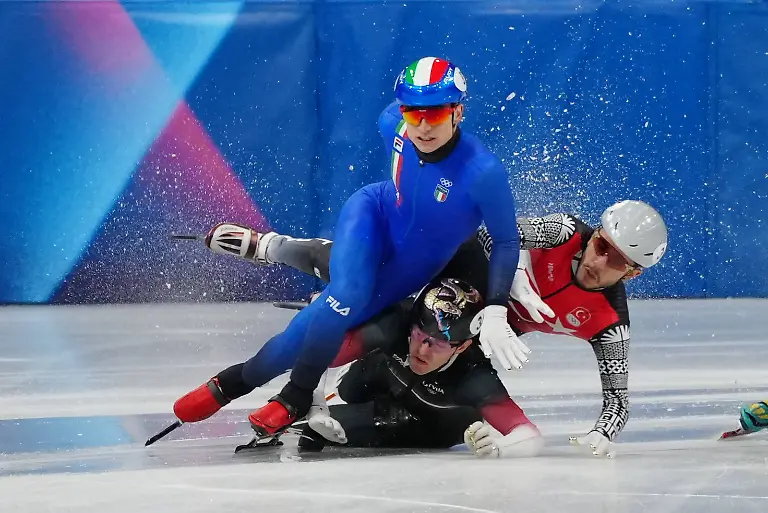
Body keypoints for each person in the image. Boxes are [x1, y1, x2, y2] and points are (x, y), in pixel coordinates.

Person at [182, 56, 526, 440]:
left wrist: (496, 308)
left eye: (436, 114)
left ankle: (232, 383)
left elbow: (507, 240)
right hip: (372, 213)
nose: (424, 127)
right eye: (414, 116)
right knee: (344, 295)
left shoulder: (483, 173)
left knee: (303, 334)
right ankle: (297, 395)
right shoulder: (391, 123)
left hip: (409, 266)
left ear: (458, 112)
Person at [196, 199, 668, 458]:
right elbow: (491, 237)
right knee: (365, 267)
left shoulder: (609, 323)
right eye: (602, 245)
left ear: (632, 274)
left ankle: (335, 397)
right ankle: (274, 246)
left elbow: (619, 400)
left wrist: (604, 433)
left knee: (436, 384)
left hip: (471, 331)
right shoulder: (566, 230)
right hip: (471, 276)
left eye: (615, 262)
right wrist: (514, 282)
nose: (597, 260)